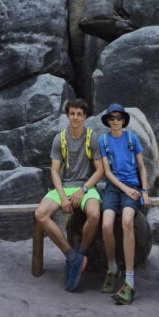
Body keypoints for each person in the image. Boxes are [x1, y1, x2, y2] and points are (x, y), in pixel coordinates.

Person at [34, 97, 103, 292]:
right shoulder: (60, 138)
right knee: (40, 214)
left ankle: (81, 254)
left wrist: (83, 191)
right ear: (67, 116)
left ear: (85, 116)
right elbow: (54, 171)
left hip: (86, 186)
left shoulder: (92, 137)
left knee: (95, 215)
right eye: (72, 114)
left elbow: (99, 171)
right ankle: (72, 257)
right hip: (63, 187)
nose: (75, 117)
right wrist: (63, 196)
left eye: (79, 114)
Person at [98, 102, 151, 305]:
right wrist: (125, 189)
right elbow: (107, 172)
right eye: (112, 118)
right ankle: (112, 267)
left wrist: (144, 191)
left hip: (132, 186)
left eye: (119, 118)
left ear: (124, 120)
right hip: (114, 187)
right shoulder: (103, 141)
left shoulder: (131, 138)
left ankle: (129, 281)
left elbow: (142, 166)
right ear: (108, 121)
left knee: (127, 221)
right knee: (106, 225)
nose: (116, 121)